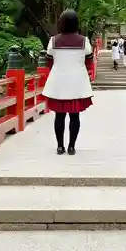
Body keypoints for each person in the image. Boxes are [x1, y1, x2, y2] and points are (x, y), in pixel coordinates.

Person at [42, 10, 94, 155]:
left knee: (59, 115)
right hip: (77, 83)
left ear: (61, 23)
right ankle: (71, 147)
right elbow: (89, 60)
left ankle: (60, 146)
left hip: (59, 82)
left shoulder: (53, 40)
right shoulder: (84, 41)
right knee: (75, 116)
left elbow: (49, 60)